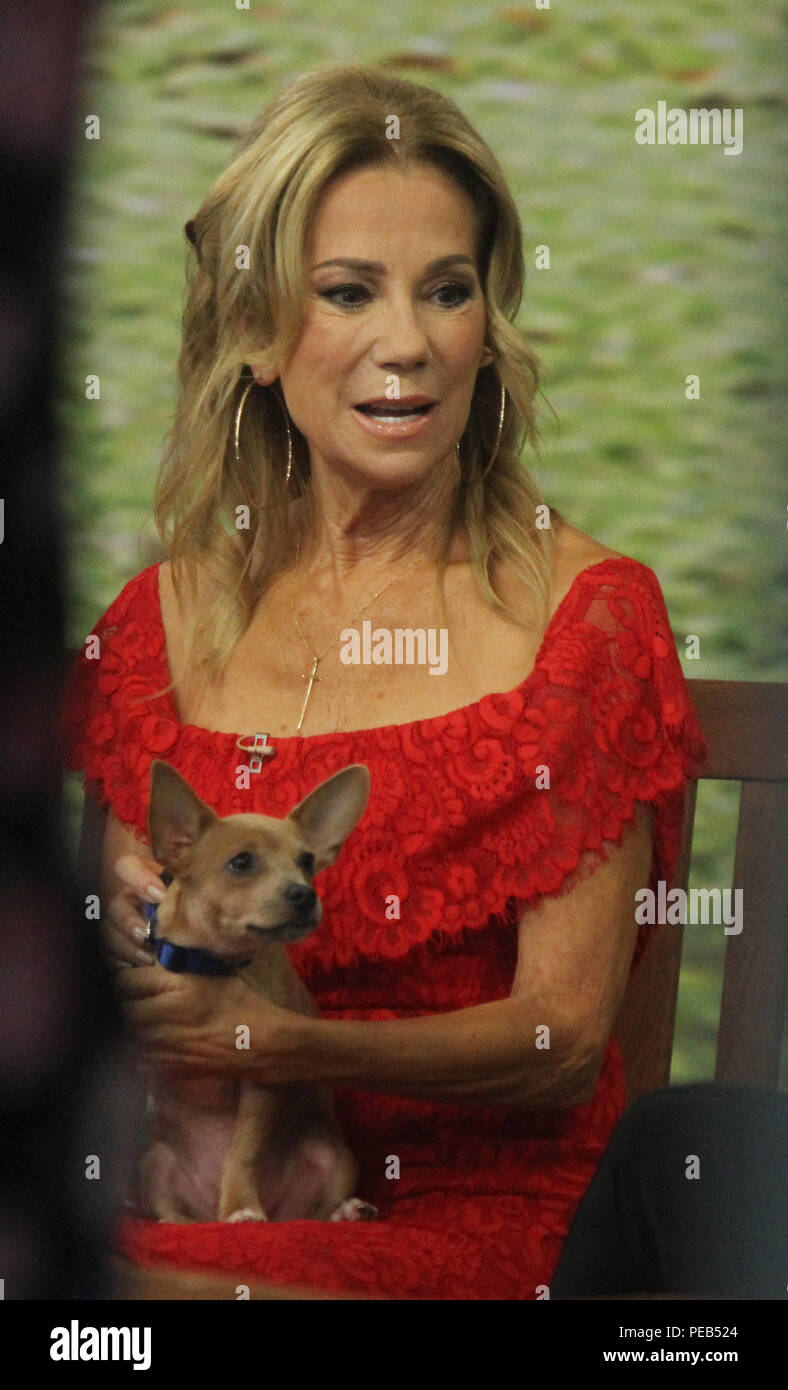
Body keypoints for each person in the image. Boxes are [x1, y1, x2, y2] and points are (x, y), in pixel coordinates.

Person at [59, 61, 707, 1301]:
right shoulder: (161, 618)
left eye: (447, 291)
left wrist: (285, 1041)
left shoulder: (588, 617)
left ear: (487, 326)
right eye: (348, 293)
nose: (408, 342)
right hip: (199, 1188)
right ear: (254, 336)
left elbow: (564, 1043)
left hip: (485, 1220)